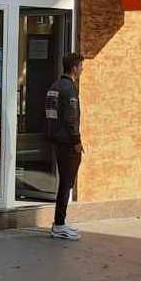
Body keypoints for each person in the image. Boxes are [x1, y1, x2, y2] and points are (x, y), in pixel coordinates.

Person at [45, 52, 84, 240]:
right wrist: (77, 141)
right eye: (81, 66)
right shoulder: (70, 89)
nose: (82, 69)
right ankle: (59, 224)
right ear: (74, 68)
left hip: (56, 139)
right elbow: (72, 117)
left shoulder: (54, 86)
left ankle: (60, 222)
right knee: (67, 182)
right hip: (68, 142)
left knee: (64, 181)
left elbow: (50, 114)